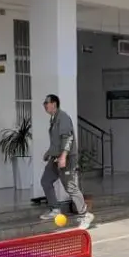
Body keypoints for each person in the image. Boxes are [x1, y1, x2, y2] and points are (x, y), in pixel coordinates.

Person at [39, 94, 94, 230]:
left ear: (54, 104)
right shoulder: (54, 119)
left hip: (66, 158)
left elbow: (68, 138)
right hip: (55, 158)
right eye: (44, 103)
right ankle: (55, 209)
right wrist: (49, 153)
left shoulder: (62, 117)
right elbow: (56, 142)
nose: (44, 105)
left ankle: (85, 214)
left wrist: (63, 156)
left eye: (46, 103)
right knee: (46, 181)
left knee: (70, 186)